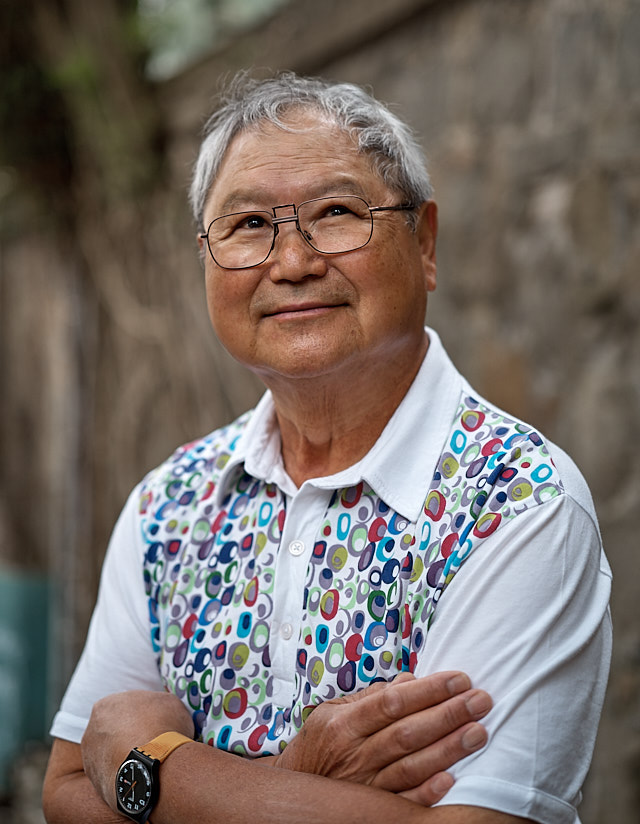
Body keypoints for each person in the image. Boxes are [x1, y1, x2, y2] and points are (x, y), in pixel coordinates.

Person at [42, 72, 611, 824]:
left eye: (336, 213)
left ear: (426, 242)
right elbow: (66, 791)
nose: (293, 262)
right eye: (247, 226)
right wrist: (295, 775)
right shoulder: (169, 505)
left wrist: (156, 771)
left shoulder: (519, 503)